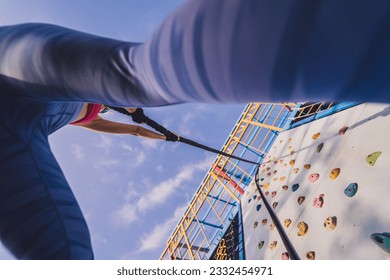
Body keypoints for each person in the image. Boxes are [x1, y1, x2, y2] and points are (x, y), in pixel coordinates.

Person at [0, 0, 389, 259]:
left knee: (142, 78)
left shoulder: (86, 109)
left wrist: (157, 131)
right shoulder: (86, 113)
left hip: (16, 71)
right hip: (20, 129)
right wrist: (159, 133)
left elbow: (132, 126)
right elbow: (133, 130)